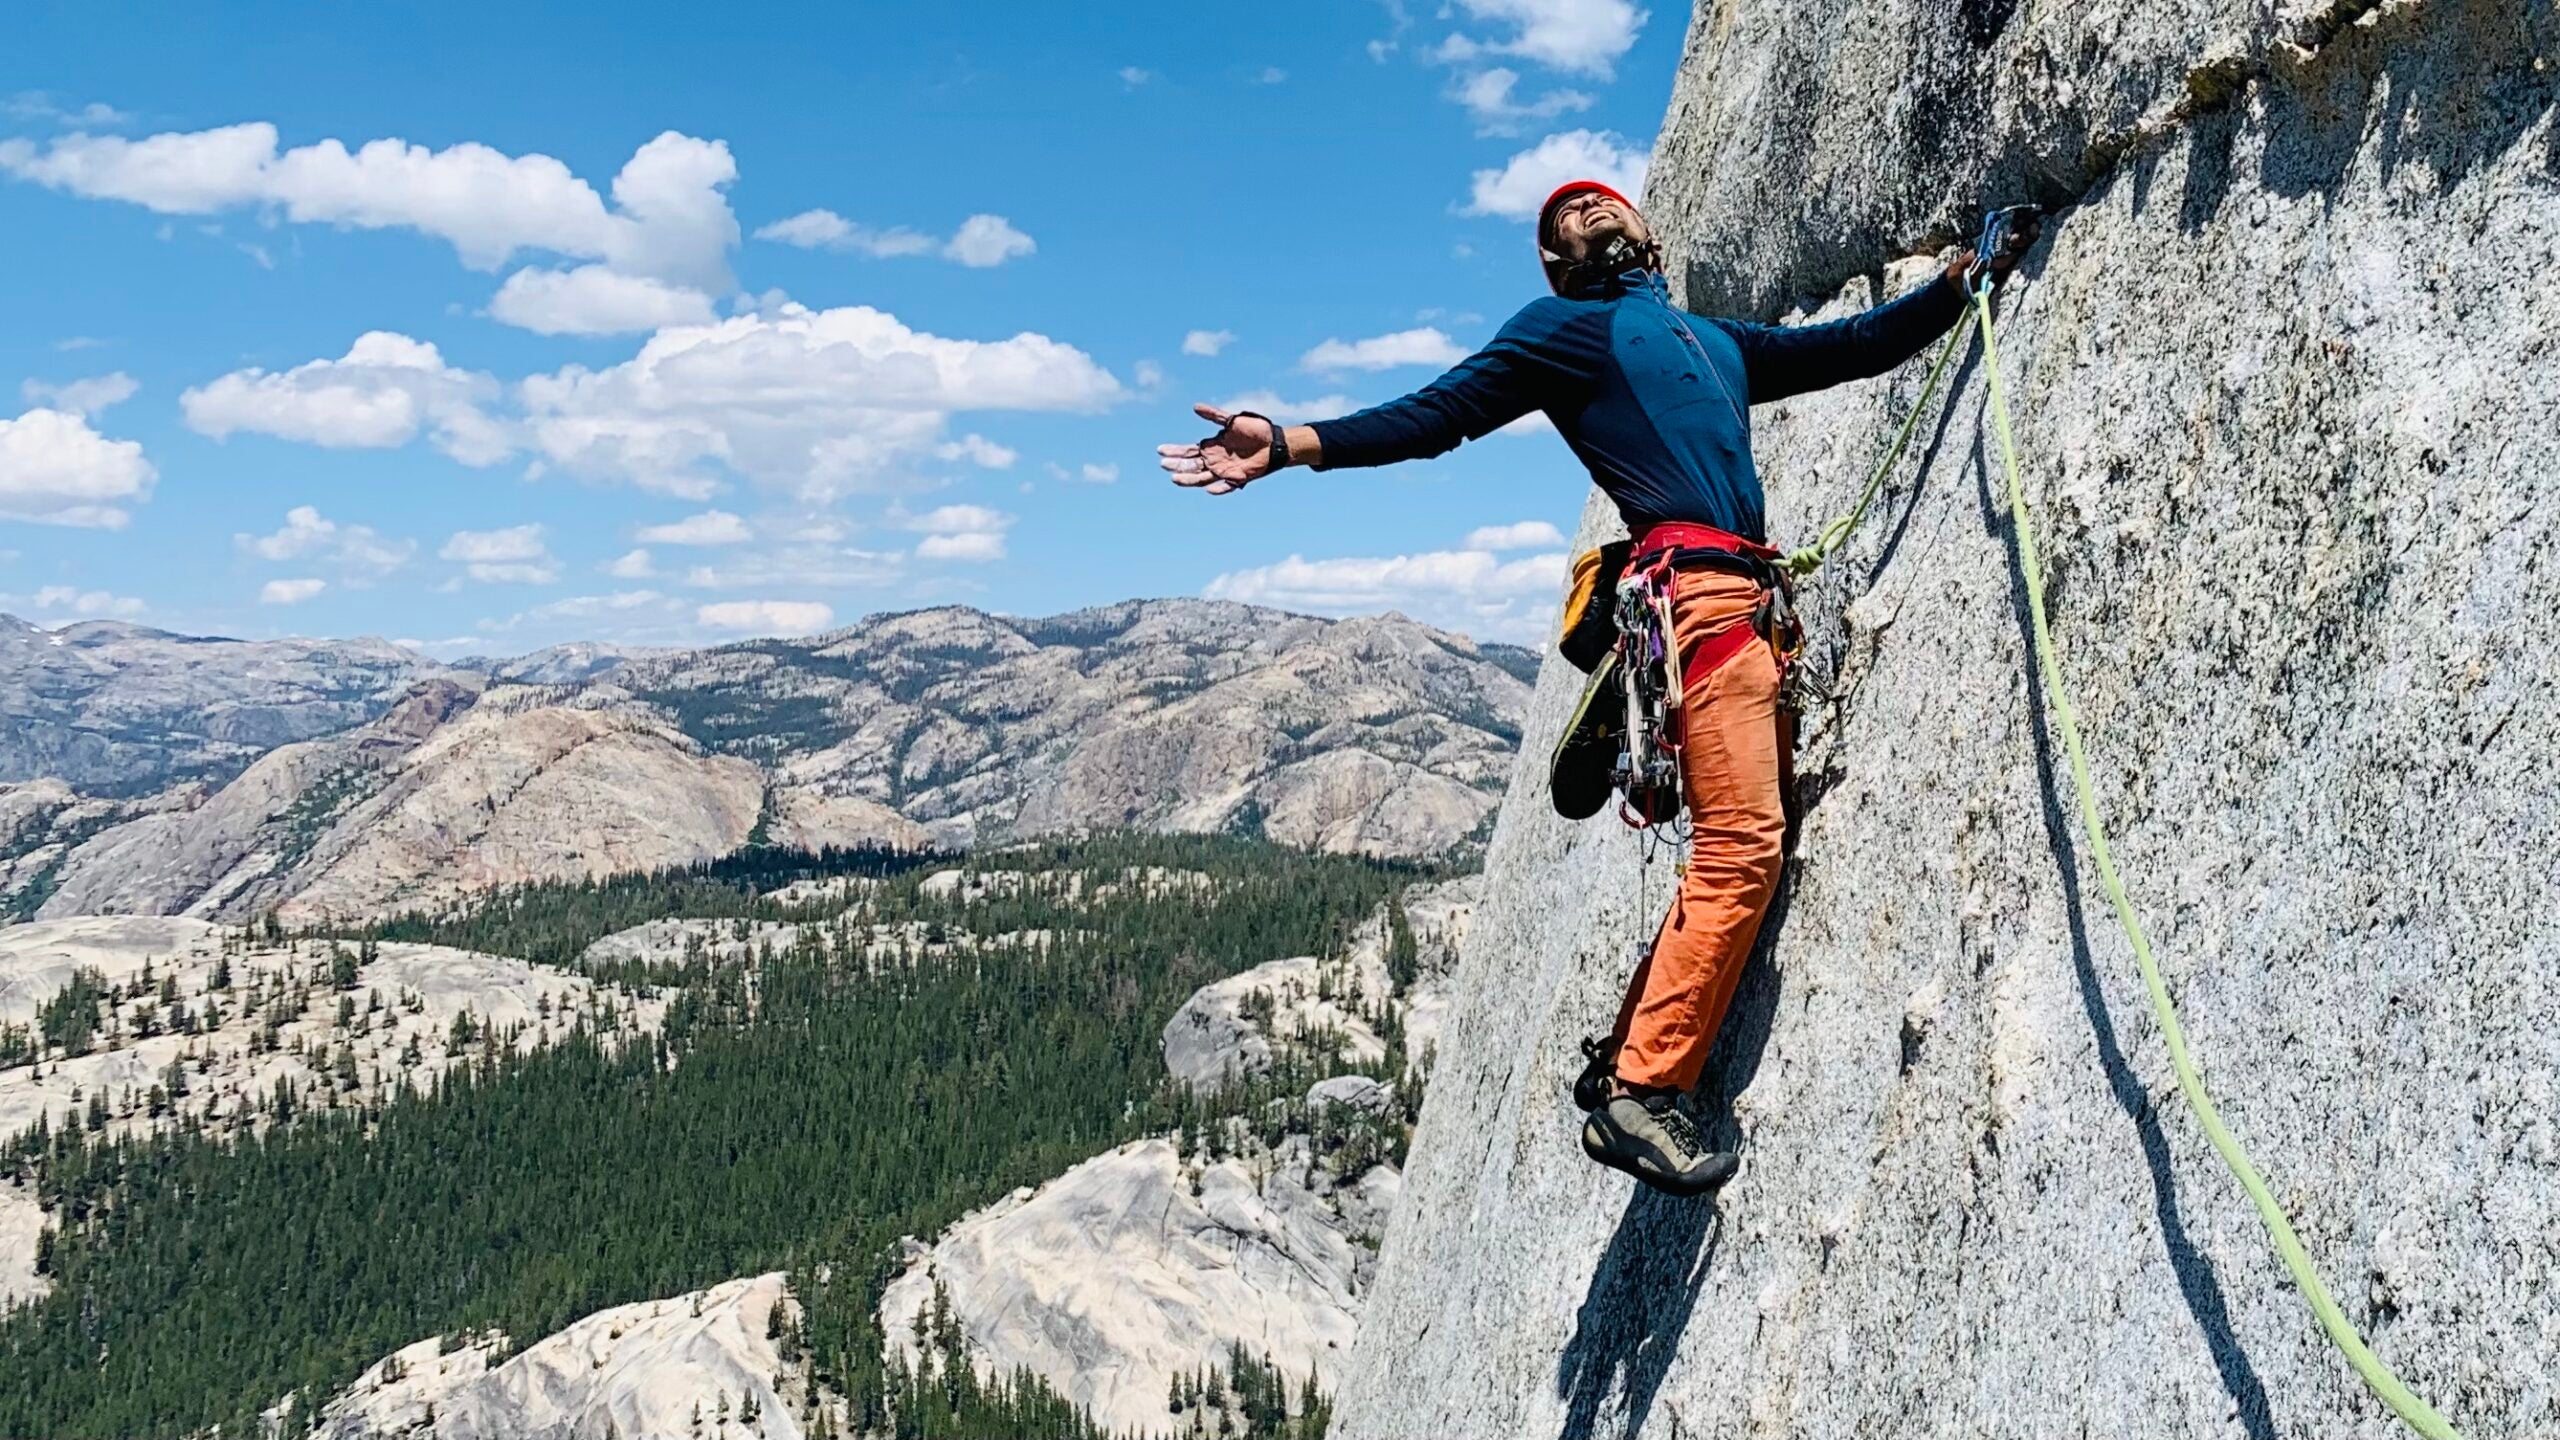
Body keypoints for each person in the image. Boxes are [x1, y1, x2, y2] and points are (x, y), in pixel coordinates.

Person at [1159, 181, 2037, 1196]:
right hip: (1703, 604)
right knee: (1742, 846)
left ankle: (1625, 1054)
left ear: (1647, 232)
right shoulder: (1561, 331)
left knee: (1735, 840)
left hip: (1734, 601)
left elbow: (1850, 347)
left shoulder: (1712, 338)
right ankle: (1641, 1090)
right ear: (1554, 264)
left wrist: (1960, 282)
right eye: (1562, 219)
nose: (1582, 209)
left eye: (1599, 202)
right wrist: (1297, 442)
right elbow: (1440, 414)